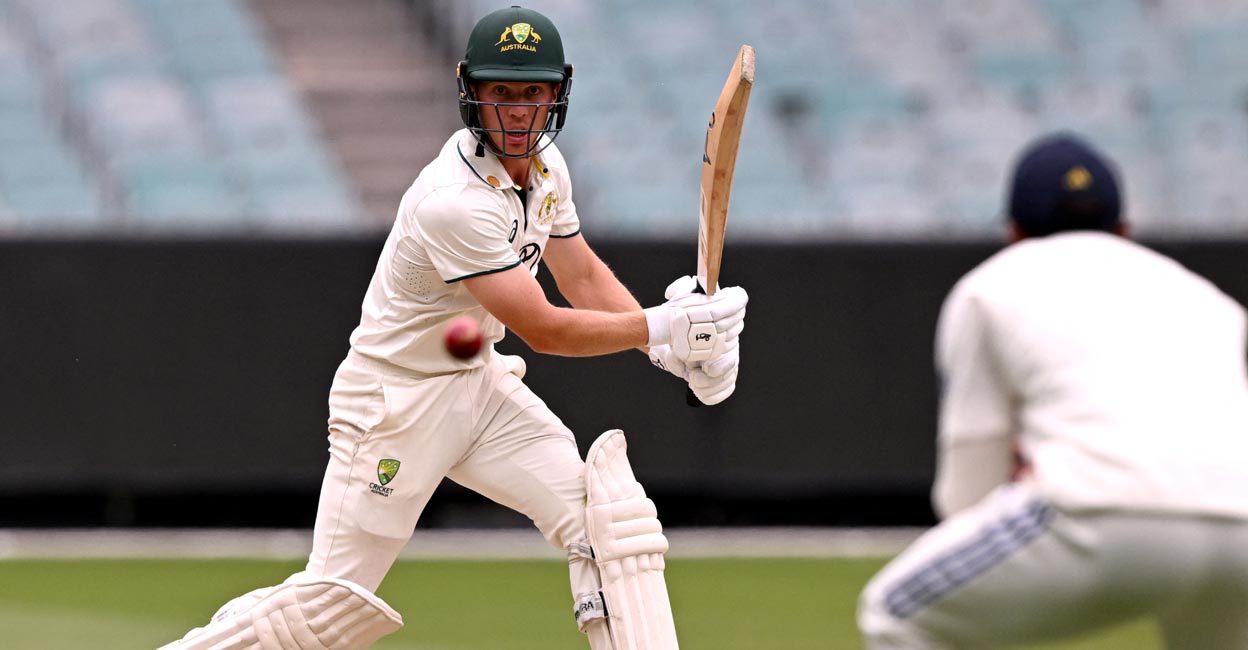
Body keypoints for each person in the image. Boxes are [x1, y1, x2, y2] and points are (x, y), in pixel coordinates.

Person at [161, 6, 747, 649]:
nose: (519, 111)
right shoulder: (454, 203)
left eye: (532, 92)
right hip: (395, 407)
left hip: (479, 389)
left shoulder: (548, 171)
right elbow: (546, 329)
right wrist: (663, 328)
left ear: (558, 91)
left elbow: (580, 277)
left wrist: (670, 349)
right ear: (472, 90)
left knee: (611, 525)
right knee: (325, 610)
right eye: (503, 92)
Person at [858, 132, 1248, 649]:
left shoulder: (988, 286)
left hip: (1099, 514)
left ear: (1014, 232)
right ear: (1124, 230)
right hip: (1242, 529)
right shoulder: (1211, 298)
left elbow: (967, 491)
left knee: (894, 613)